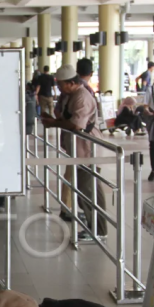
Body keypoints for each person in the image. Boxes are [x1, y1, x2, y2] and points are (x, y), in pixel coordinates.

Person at [42, 64, 108, 241]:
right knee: (81, 191)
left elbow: (77, 124)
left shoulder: (82, 97)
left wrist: (54, 124)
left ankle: (99, 231)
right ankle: (92, 224)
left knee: (90, 191)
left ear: (71, 83)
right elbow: (64, 116)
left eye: (61, 84)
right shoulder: (69, 95)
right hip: (78, 150)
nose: (59, 88)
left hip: (87, 150)